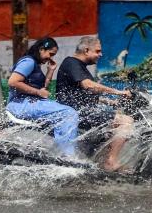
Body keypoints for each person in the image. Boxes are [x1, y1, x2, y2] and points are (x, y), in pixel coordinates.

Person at [56, 36, 134, 171]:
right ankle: (111, 162)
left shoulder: (80, 67)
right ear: (86, 50)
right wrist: (119, 92)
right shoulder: (71, 63)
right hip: (76, 114)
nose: (101, 54)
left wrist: (110, 102)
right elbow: (88, 86)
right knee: (125, 121)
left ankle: (98, 162)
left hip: (83, 111)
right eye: (98, 51)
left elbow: (83, 95)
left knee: (113, 123)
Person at [6, 37, 78, 156]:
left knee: (63, 110)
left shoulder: (34, 64)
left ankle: (55, 151)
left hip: (28, 103)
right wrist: (38, 93)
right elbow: (13, 82)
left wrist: (50, 71)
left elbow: (42, 90)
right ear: (41, 49)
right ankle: (67, 155)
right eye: (50, 54)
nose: (51, 58)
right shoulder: (28, 62)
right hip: (21, 104)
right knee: (68, 113)